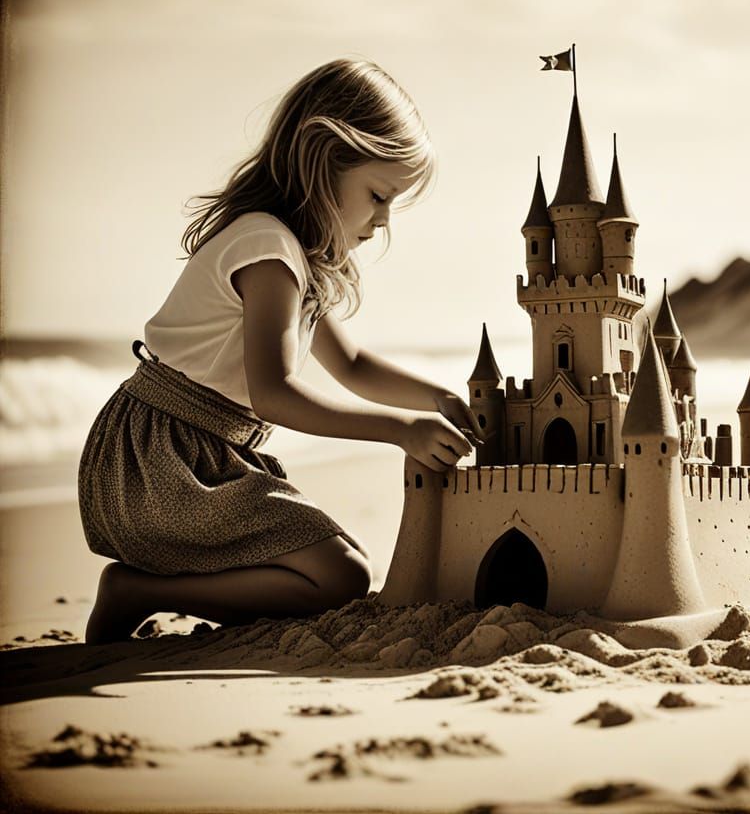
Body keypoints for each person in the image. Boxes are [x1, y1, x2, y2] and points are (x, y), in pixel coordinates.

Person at [78, 58, 481, 644]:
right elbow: (274, 395)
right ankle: (139, 591)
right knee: (341, 576)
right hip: (164, 461)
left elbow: (351, 366)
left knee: (335, 571)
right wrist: (402, 430)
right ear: (324, 159)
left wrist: (438, 398)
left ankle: (148, 586)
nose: (384, 220)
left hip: (203, 457)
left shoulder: (298, 256)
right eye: (377, 194)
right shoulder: (266, 248)